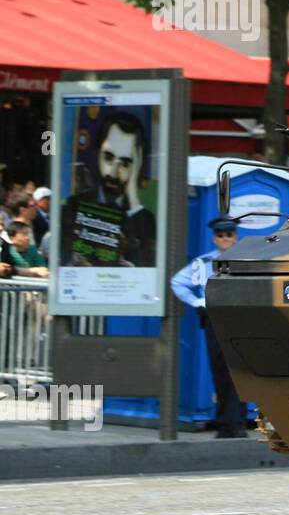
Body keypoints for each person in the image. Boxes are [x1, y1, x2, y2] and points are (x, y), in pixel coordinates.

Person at [170, 216, 247, 438]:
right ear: (214, 238)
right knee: (221, 371)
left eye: (229, 235)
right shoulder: (203, 263)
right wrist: (198, 302)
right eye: (220, 235)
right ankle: (230, 420)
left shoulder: (246, 259)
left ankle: (234, 421)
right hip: (215, 318)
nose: (225, 239)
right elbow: (178, 282)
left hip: (242, 318)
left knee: (239, 371)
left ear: (235, 237)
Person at [60, 111, 157, 268]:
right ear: (97, 153)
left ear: (137, 166)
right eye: (108, 158)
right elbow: (65, 256)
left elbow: (147, 263)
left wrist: (133, 199)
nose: (113, 172)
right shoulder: (73, 207)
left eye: (125, 163)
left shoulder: (143, 218)